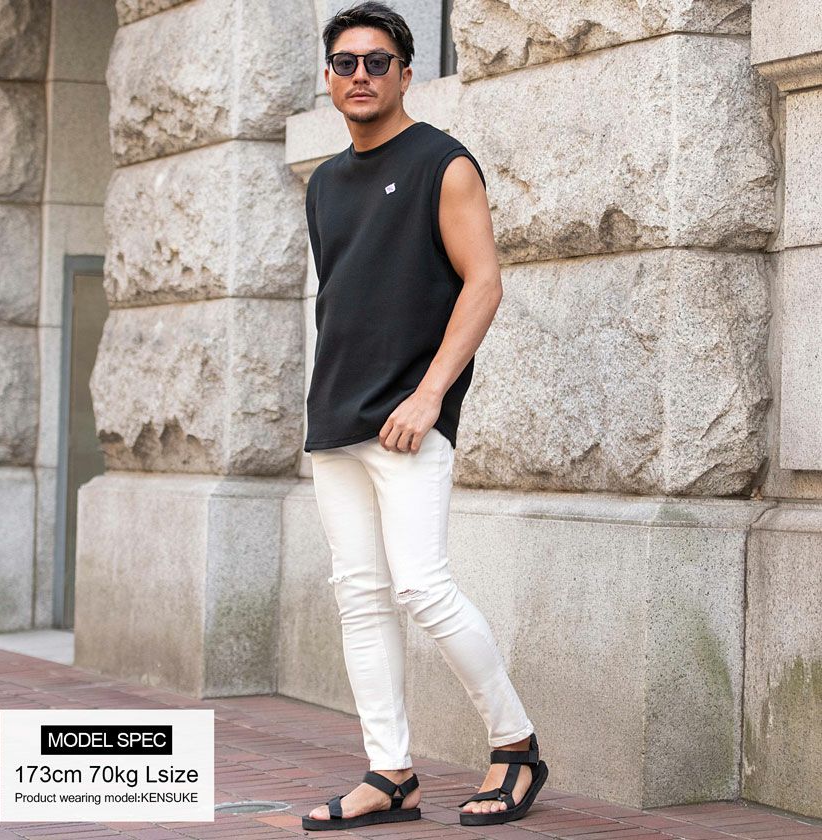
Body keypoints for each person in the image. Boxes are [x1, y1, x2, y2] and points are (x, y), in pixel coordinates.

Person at [300, 1, 549, 831]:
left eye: (378, 62)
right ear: (329, 77)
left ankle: (515, 746)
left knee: (422, 587)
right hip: (335, 418)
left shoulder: (444, 164)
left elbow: (483, 282)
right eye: (346, 63)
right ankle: (390, 773)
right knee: (360, 597)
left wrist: (430, 393)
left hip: (409, 417)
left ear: (406, 73)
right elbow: (344, 299)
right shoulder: (325, 183)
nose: (361, 75)